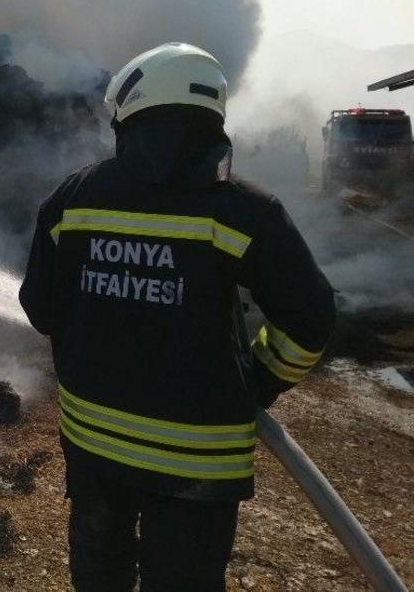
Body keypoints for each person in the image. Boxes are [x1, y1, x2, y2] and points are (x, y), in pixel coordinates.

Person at [19, 42, 336, 592]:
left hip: (94, 445)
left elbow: (40, 309)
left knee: (100, 574)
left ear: (131, 110)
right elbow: (310, 318)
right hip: (199, 463)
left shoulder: (73, 198)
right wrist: (258, 378)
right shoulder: (244, 210)